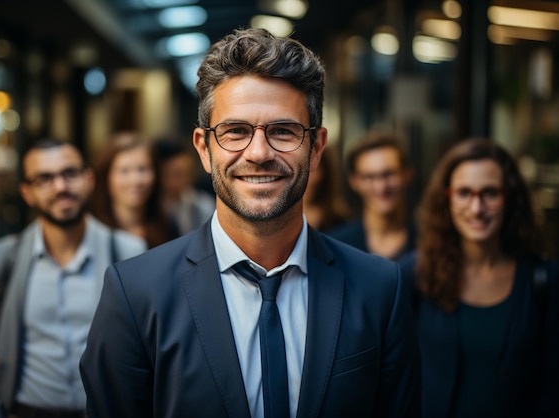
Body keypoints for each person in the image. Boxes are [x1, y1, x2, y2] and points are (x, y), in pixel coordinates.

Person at [80, 27, 419, 418]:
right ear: (204, 149)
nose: (258, 152)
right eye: (235, 131)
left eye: (283, 131)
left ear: (317, 148)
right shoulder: (136, 294)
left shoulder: (380, 289)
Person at [0, 138, 146, 418]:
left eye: (70, 173)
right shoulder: (1, 259)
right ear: (27, 193)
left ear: (88, 179)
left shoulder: (129, 252)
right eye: (44, 179)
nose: (60, 187)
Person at [399, 138, 559, 417]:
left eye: (490, 193)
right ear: (446, 199)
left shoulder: (544, 280)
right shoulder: (414, 275)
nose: (476, 208)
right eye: (464, 193)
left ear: (510, 198)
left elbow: (553, 386)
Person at [328, 130, 416, 260]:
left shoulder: (429, 241)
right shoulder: (337, 246)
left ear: (407, 174)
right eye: (369, 177)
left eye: (389, 174)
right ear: (354, 182)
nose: (381, 187)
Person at [91, 131, 177, 248]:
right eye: (124, 171)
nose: (135, 180)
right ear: (106, 176)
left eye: (142, 169)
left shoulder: (168, 226)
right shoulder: (93, 231)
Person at [153, 136, 216, 236]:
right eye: (176, 175)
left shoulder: (202, 204)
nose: (185, 180)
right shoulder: (150, 210)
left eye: (189, 173)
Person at [302, 145, 353, 232]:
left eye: (315, 168)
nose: (312, 178)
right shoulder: (275, 222)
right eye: (303, 168)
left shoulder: (341, 223)